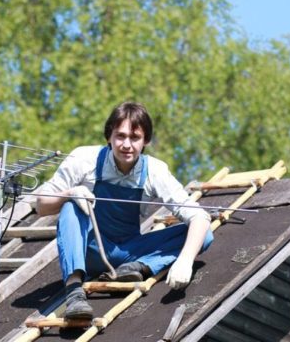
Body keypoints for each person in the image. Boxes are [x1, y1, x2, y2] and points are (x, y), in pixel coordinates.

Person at [36, 102, 213, 320]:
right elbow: (41, 205)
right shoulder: (84, 159)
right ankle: (74, 291)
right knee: (71, 207)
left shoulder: (155, 171)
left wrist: (185, 260)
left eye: (135, 137)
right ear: (108, 136)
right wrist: (71, 192)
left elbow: (199, 217)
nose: (126, 145)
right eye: (120, 136)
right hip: (90, 250)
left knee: (203, 235)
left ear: (146, 140)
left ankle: (140, 267)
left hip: (129, 251)